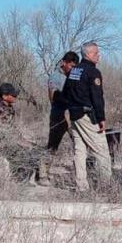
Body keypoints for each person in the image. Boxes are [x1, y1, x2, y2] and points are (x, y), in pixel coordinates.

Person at [62, 41, 112, 192]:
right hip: (87, 116)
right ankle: (106, 187)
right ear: (88, 54)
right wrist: (101, 118)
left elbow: (65, 93)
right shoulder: (93, 72)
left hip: (74, 115)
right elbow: (97, 97)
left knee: (80, 151)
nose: (99, 56)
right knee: (102, 150)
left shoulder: (74, 71)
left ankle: (81, 186)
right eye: (96, 53)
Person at [38, 51, 80, 185]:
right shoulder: (55, 77)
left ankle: (83, 173)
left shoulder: (74, 76)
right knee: (53, 146)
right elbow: (53, 98)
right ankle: (43, 175)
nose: (72, 69)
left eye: (74, 66)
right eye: (70, 66)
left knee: (79, 144)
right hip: (59, 115)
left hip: (73, 115)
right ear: (64, 63)